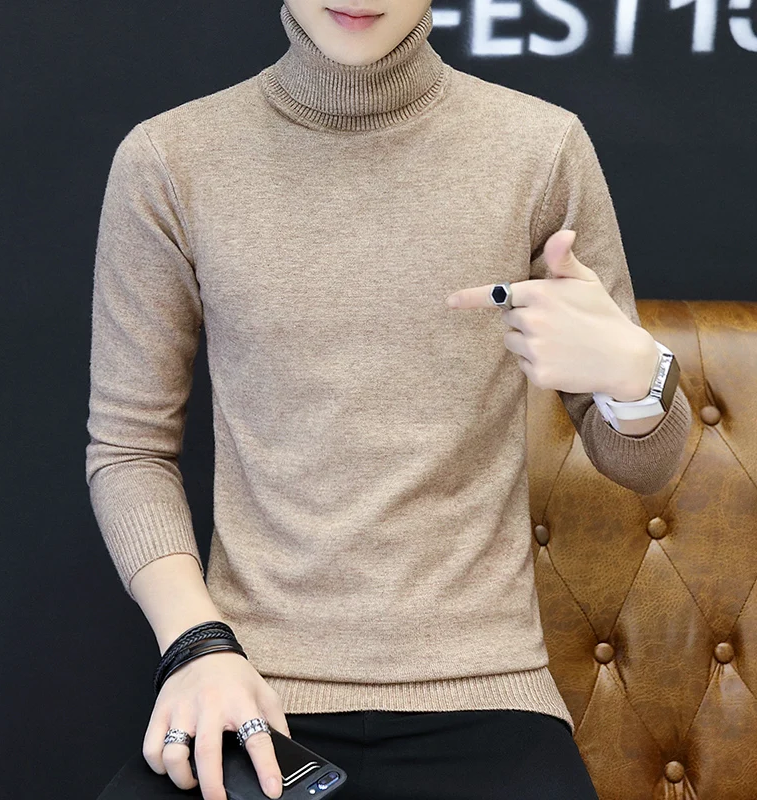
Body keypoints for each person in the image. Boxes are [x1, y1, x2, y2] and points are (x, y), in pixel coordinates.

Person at [86, 2, 692, 798]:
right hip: (252, 690)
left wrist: (636, 375)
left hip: (489, 694)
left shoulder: (541, 149)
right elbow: (129, 449)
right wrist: (197, 645)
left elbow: (645, 464)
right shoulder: (170, 159)